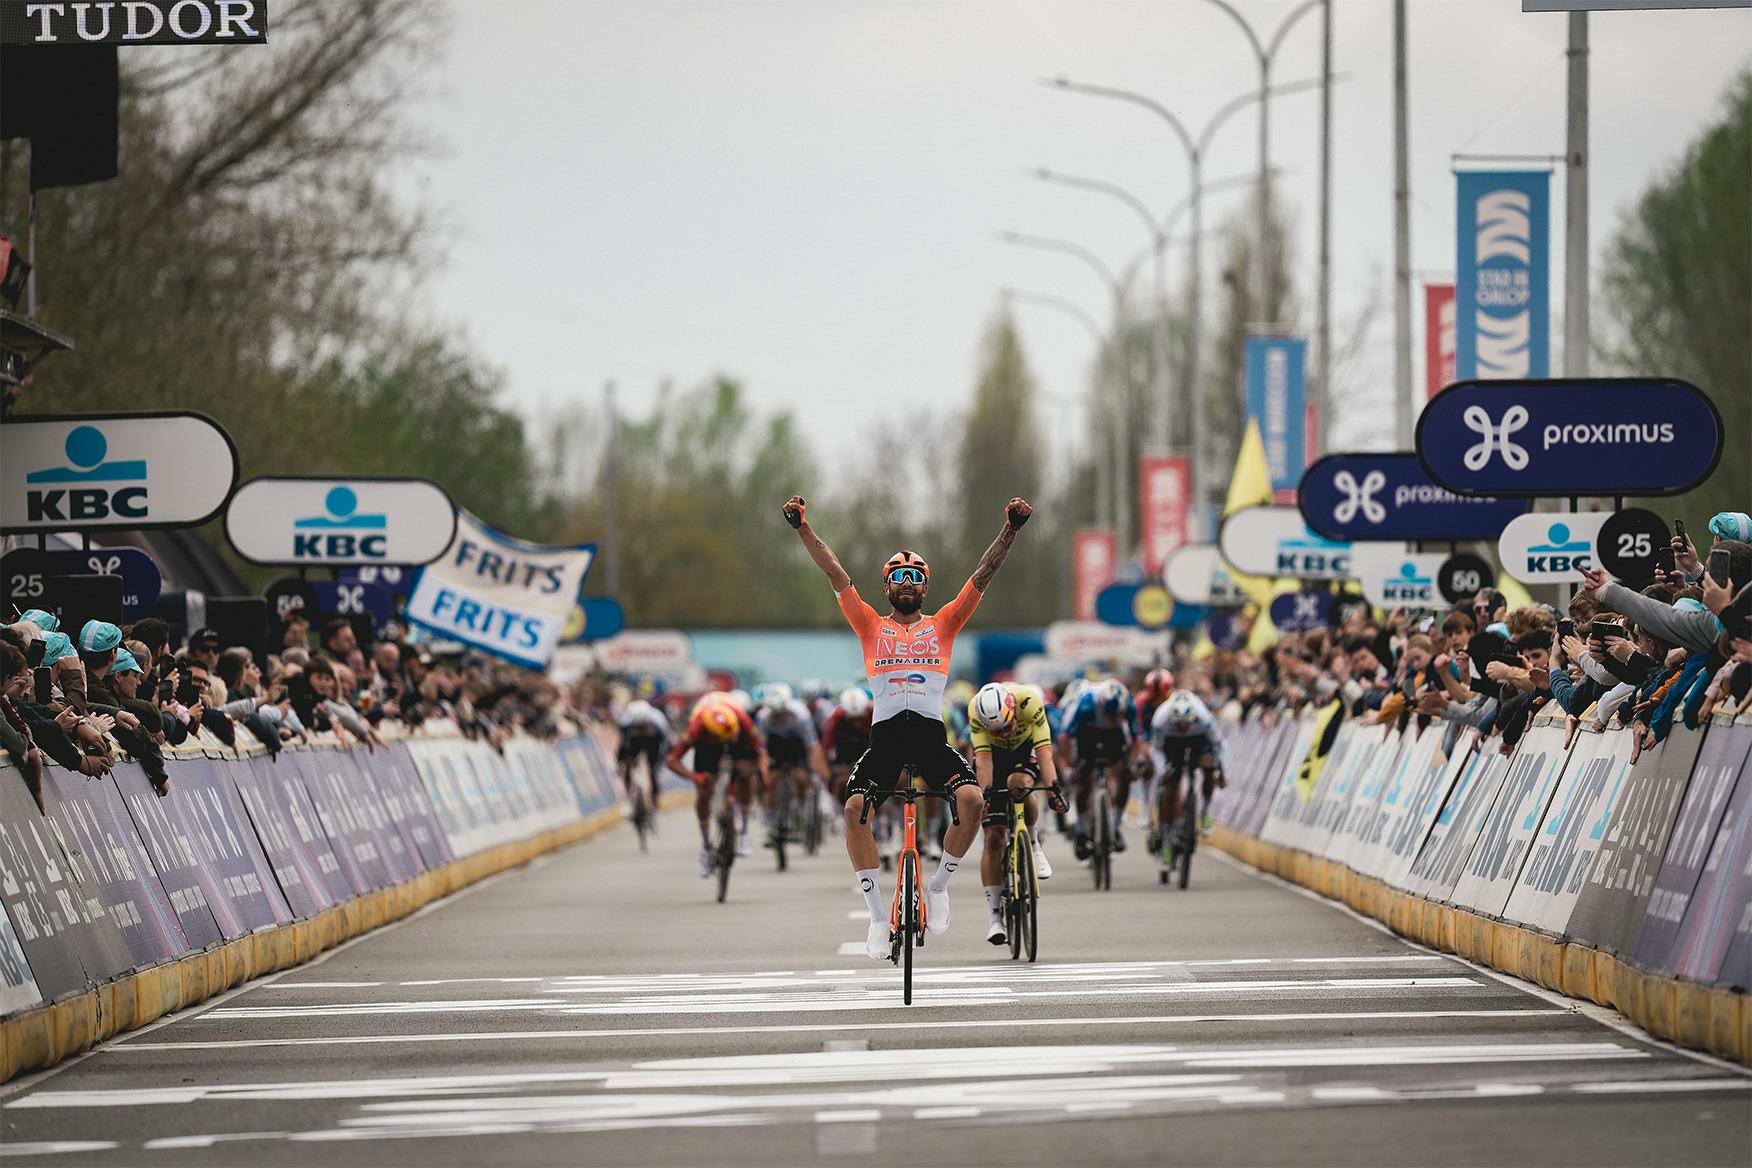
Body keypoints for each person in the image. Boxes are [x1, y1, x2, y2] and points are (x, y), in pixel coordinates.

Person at [784, 492, 1031, 959]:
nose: (907, 584)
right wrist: (801, 527)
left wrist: (1012, 528)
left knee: (973, 800)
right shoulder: (869, 625)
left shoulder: (944, 624)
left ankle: (938, 887)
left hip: (929, 736)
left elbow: (983, 573)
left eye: (915, 578)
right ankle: (879, 918)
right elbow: (834, 572)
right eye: (898, 577)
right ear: (886, 588)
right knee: (855, 809)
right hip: (886, 739)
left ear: (924, 589)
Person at [968, 680, 1060, 945]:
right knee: (993, 838)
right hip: (993, 757)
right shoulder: (976, 711)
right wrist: (983, 797)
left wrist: (1054, 789)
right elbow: (984, 763)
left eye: (1007, 726)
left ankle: (1033, 843)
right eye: (998, 730)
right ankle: (995, 917)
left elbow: (1045, 754)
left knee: (1019, 785)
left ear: (1012, 710)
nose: (1004, 732)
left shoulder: (1029, 701)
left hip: (1025, 749)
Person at [664, 696, 770, 876]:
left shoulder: (742, 721)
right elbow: (672, 760)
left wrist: (763, 775)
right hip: (707, 746)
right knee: (704, 791)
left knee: (744, 773)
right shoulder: (697, 727)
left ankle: (744, 832)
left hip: (736, 740)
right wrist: (694, 777)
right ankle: (706, 848)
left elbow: (761, 753)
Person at [1060, 676, 1137, 855]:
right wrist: (1072, 763)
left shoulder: (1127, 703)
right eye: (1109, 714)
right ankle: (1080, 829)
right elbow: (1066, 737)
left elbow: (1136, 738)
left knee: (1126, 774)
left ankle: (1115, 826)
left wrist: (1131, 763)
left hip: (1114, 734)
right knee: (1082, 779)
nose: (1111, 717)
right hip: (1088, 732)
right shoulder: (1087, 704)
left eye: (1115, 715)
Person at [1148, 690, 1227, 864]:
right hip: (1171, 742)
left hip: (1198, 739)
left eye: (1185, 724)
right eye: (1179, 724)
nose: (1182, 728)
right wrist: (1162, 771)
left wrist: (1222, 772)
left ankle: (1205, 810)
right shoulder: (1161, 718)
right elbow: (1156, 750)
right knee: (1169, 782)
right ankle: (1167, 840)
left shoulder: (1203, 717)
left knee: (1209, 765)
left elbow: (1219, 745)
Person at [753, 682, 827, 850]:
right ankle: (770, 825)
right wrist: (762, 773)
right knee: (769, 782)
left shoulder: (800, 715)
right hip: (775, 746)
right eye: (775, 714)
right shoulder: (764, 717)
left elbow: (812, 747)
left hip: (797, 746)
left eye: (782, 714)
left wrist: (817, 769)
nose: (779, 718)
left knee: (800, 778)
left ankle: (799, 812)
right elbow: (761, 750)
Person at [616, 698, 673, 805]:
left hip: (653, 742)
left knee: (653, 771)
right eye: (638, 726)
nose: (641, 728)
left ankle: (655, 797)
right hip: (635, 741)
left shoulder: (658, 719)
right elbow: (622, 745)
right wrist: (620, 762)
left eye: (643, 726)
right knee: (627, 765)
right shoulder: (625, 721)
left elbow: (666, 741)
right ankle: (629, 794)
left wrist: (664, 757)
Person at [821, 687, 874, 804]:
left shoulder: (874, 712)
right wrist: (827, 774)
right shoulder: (836, 717)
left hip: (869, 753)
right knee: (840, 782)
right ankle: (840, 811)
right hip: (845, 756)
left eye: (859, 719)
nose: (857, 724)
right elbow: (825, 747)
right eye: (852, 720)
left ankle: (884, 816)